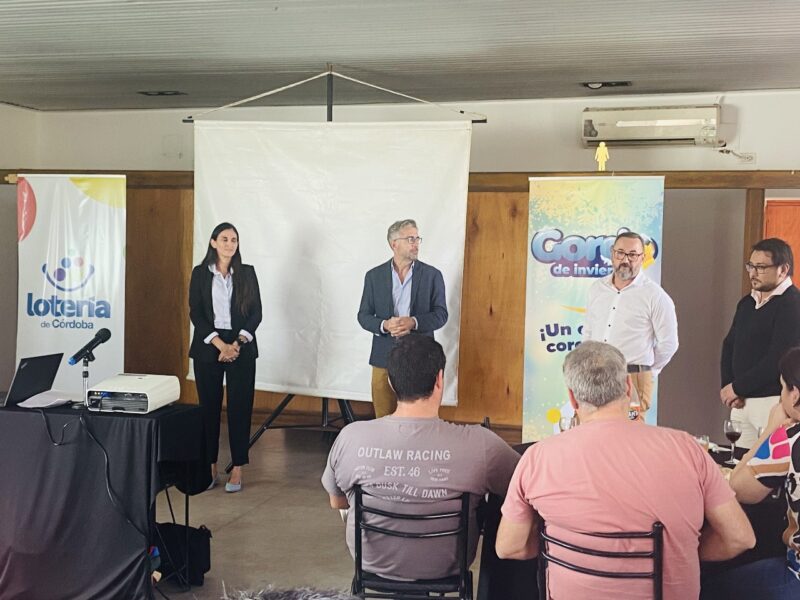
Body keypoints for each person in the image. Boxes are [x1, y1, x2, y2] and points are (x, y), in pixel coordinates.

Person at [496, 341, 755, 600]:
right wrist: (677, 552)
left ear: (572, 398)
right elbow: (740, 538)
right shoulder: (687, 449)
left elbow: (509, 547)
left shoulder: (537, 457)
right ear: (628, 388)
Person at [321, 334, 519, 581]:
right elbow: (526, 488)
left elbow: (337, 502)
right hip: (446, 566)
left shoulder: (351, 437)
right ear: (439, 380)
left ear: (392, 383)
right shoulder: (481, 444)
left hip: (371, 562)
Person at [719, 346, 800, 599]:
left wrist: (771, 430)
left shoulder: (791, 439)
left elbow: (737, 489)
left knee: (708, 585)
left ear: (794, 395)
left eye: (781, 388)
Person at [189, 222, 262, 493]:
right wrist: (220, 344)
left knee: (240, 409)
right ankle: (209, 467)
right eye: (224, 239)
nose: (230, 244)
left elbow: (256, 313)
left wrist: (237, 344)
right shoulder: (200, 274)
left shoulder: (246, 273)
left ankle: (238, 468)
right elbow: (195, 312)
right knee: (208, 409)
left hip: (240, 345)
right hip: (209, 344)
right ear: (213, 243)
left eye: (234, 239)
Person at [357, 219, 448, 417]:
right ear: (394, 244)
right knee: (383, 415)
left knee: (419, 415)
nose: (416, 243)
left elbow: (441, 315)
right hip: (383, 356)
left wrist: (414, 322)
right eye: (410, 239)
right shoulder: (374, 276)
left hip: (420, 356)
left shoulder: (433, 276)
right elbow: (363, 316)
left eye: (417, 238)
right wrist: (384, 325)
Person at [583, 231, 678, 419]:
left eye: (632, 255)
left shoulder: (655, 296)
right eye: (620, 253)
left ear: (642, 258)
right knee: (592, 430)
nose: (625, 260)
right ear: (612, 254)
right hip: (596, 376)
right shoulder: (597, 289)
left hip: (633, 380)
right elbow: (588, 332)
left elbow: (669, 343)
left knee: (631, 431)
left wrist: (646, 372)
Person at [721, 237, 800, 448]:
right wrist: (728, 387)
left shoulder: (792, 304)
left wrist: (738, 386)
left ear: (783, 270)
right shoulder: (747, 302)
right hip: (740, 401)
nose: (753, 273)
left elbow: (779, 357)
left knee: (767, 469)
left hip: (771, 401)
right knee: (737, 465)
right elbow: (729, 345)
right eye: (751, 266)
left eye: (761, 267)